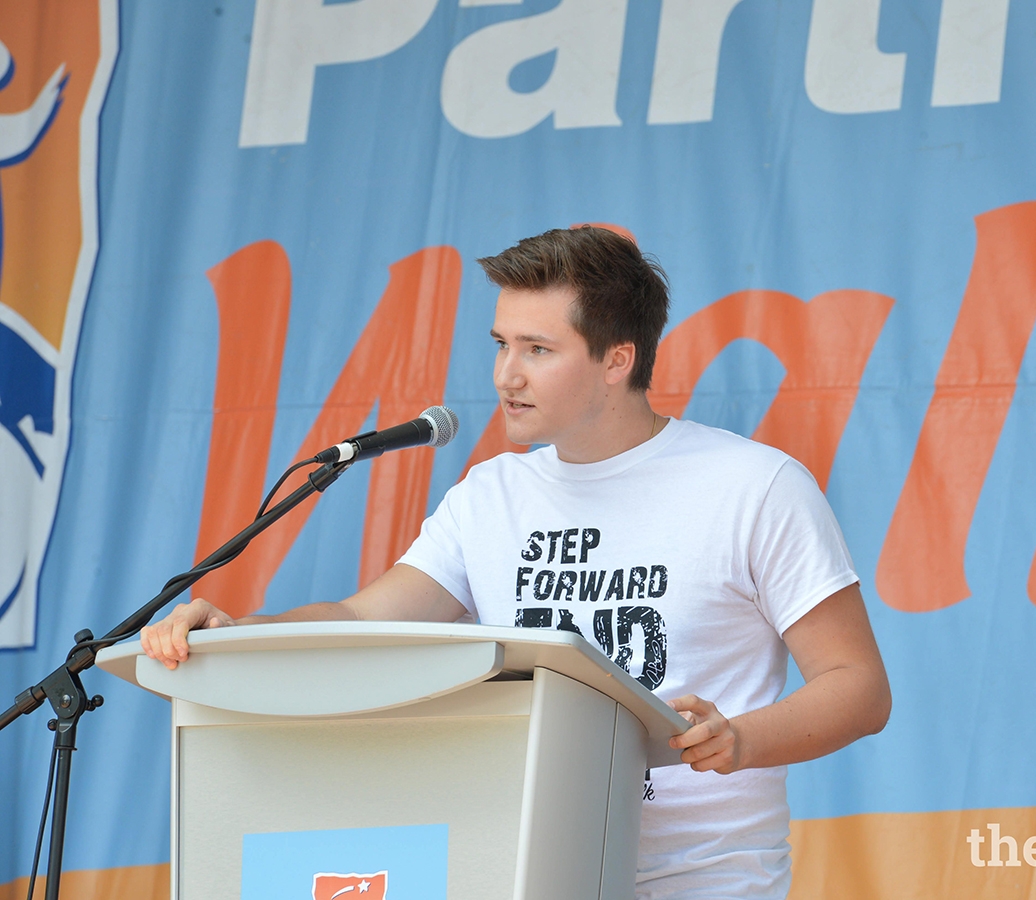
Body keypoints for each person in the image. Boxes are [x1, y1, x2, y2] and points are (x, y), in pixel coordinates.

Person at [141, 226, 891, 899]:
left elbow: (858, 687)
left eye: (537, 349)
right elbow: (359, 619)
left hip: (705, 876)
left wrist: (743, 739)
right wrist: (243, 633)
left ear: (616, 361)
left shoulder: (753, 486)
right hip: (527, 865)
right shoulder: (491, 494)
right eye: (501, 344)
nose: (506, 375)